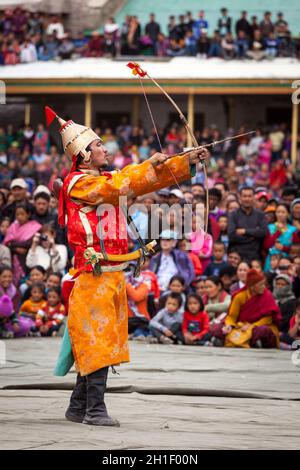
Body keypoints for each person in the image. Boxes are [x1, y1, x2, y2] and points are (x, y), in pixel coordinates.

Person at [45, 106, 209, 427]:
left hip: (111, 274)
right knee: (99, 341)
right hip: (94, 275)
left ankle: (79, 407)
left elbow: (135, 180)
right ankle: (94, 410)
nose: (105, 149)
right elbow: (122, 185)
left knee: (100, 340)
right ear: (84, 155)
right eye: (98, 145)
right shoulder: (79, 184)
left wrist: (184, 161)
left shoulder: (101, 178)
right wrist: (156, 163)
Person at [212, 269, 281, 348]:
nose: (264, 287)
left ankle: (253, 342)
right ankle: (250, 342)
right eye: (261, 285)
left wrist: (252, 325)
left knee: (264, 330)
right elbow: (232, 316)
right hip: (240, 326)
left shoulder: (267, 295)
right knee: (218, 328)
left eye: (264, 284)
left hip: (259, 325)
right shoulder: (240, 296)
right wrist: (229, 325)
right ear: (252, 287)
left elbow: (269, 318)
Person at [3, 202, 41, 285]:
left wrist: (14, 244)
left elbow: (30, 243)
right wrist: (16, 248)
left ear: (28, 214)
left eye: (22, 214)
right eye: (17, 215)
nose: (19, 217)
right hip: (13, 258)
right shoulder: (13, 226)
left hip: (27, 259)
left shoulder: (35, 226)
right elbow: (7, 243)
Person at [228, 186, 267, 262]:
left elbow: (263, 232)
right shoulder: (233, 215)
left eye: (249, 196)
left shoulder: (260, 215)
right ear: (240, 198)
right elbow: (232, 235)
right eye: (244, 196)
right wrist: (253, 236)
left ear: (254, 198)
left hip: (255, 255)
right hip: (237, 255)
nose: (247, 199)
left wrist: (245, 231)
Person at [264, 204, 296, 271]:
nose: (280, 214)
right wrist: (278, 232)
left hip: (286, 261)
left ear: (288, 214)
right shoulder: (270, 227)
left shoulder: (293, 229)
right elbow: (267, 245)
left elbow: (295, 250)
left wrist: (283, 248)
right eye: (278, 212)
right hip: (271, 261)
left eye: (283, 212)